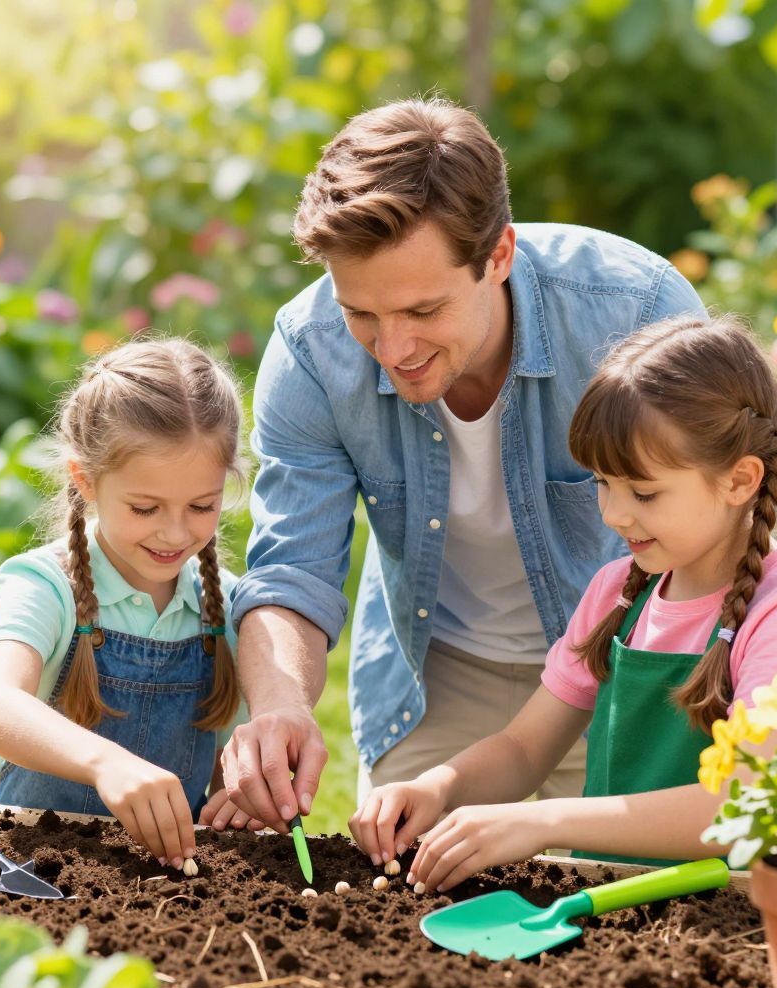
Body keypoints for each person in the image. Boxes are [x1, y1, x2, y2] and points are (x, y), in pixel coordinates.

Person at [218, 96, 709, 833]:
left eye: (423, 311)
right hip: (436, 675)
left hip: (621, 670)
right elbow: (292, 569)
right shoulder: (311, 350)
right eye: (363, 314)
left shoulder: (635, 312)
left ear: (499, 255)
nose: (393, 350)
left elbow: (718, 537)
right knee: (399, 893)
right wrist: (282, 706)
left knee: (628, 914)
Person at [350, 316, 777, 887]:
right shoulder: (618, 591)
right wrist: (436, 786)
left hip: (739, 923)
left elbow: (745, 804)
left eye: (643, 492)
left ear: (740, 480)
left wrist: (544, 821)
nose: (614, 514)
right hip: (613, 907)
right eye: (602, 483)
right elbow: (524, 749)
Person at [0, 338, 256, 871]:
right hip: (27, 867)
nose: (174, 531)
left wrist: (239, 797)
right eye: (145, 507)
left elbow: (227, 764)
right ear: (86, 480)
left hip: (168, 880)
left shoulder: (226, 607)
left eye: (201, 505)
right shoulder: (46, 585)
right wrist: (106, 764)